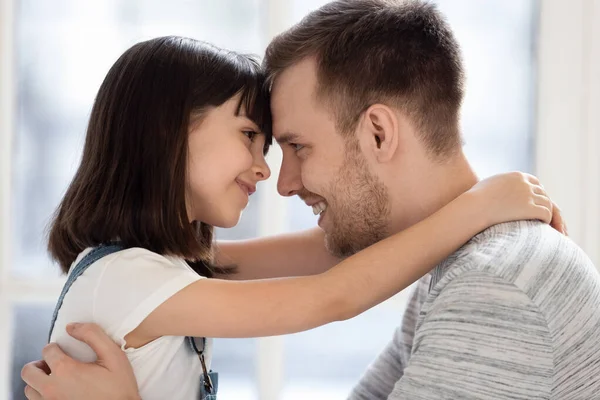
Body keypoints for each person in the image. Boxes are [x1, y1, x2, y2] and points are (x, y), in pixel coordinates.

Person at [22, 1, 589, 399]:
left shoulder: (493, 285)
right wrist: (479, 205)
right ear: (168, 135)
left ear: (378, 134)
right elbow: (328, 289)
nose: (277, 177)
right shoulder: (133, 277)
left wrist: (479, 203)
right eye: (256, 139)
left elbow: (316, 260)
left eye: (293, 145)